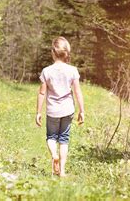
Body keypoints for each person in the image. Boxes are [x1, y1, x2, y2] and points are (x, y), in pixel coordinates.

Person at [35, 36, 85, 177]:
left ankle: (54, 155)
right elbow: (77, 92)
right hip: (67, 110)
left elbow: (42, 93)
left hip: (52, 111)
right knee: (64, 139)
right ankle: (62, 171)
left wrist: (38, 112)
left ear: (53, 52)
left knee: (51, 137)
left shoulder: (46, 71)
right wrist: (82, 110)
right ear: (66, 53)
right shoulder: (73, 70)